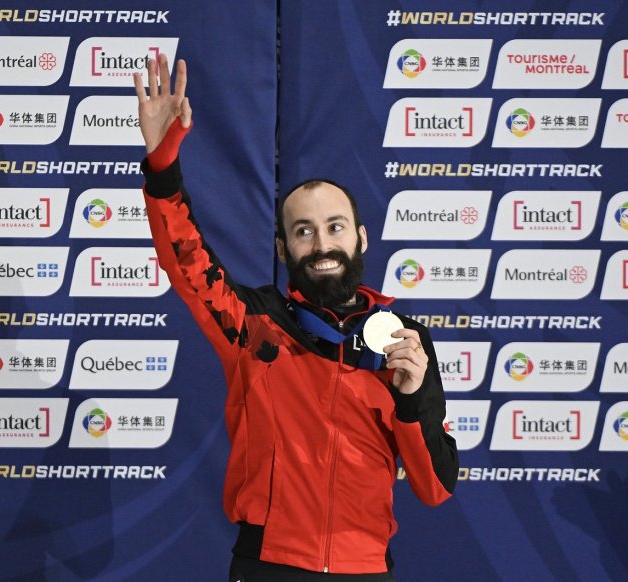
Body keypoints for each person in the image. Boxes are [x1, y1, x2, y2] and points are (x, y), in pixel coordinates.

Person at [134, 55, 459, 581]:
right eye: (303, 231)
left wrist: (411, 398)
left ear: (361, 239)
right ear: (283, 250)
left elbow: (436, 487)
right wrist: (164, 158)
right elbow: (185, 255)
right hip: (268, 565)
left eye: (335, 226)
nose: (322, 243)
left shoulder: (404, 340)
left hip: (366, 569)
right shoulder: (253, 324)